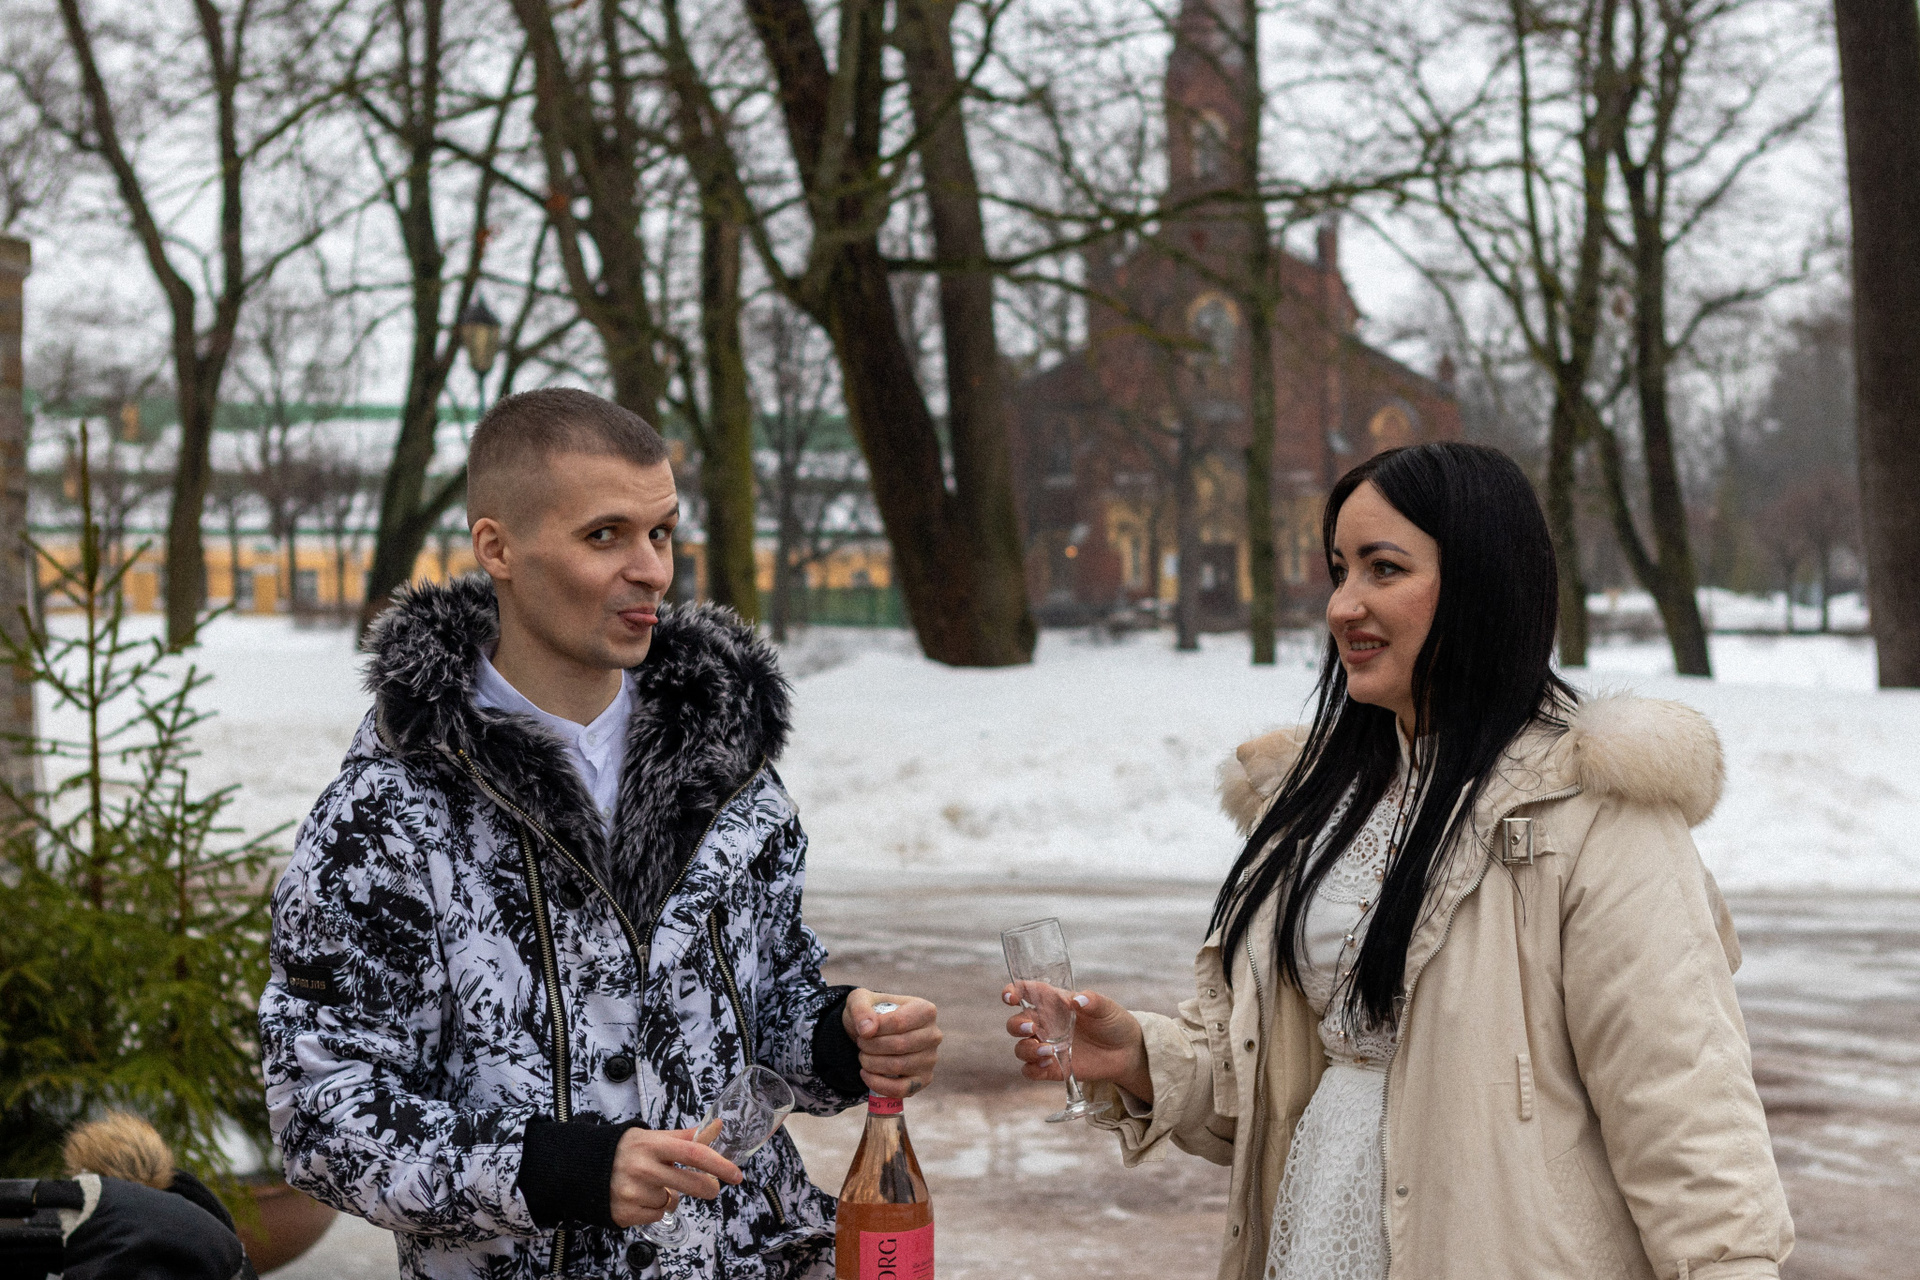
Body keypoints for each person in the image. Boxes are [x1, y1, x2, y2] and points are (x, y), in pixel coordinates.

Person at [1006, 442, 1793, 1280]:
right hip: (1318, 1234)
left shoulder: (1593, 808)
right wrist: (1135, 1056)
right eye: (1339, 570)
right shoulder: (1317, 805)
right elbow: (1280, 1076)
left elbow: (1685, 1108)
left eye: (1384, 569)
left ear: (1482, 582)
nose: (1344, 604)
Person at [260, 387, 942, 1280]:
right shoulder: (389, 816)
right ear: (497, 548)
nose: (651, 569)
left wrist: (837, 1036)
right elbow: (323, 1114)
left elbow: (764, 1009)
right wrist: (559, 1172)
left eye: (661, 532)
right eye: (605, 535)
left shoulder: (729, 773)